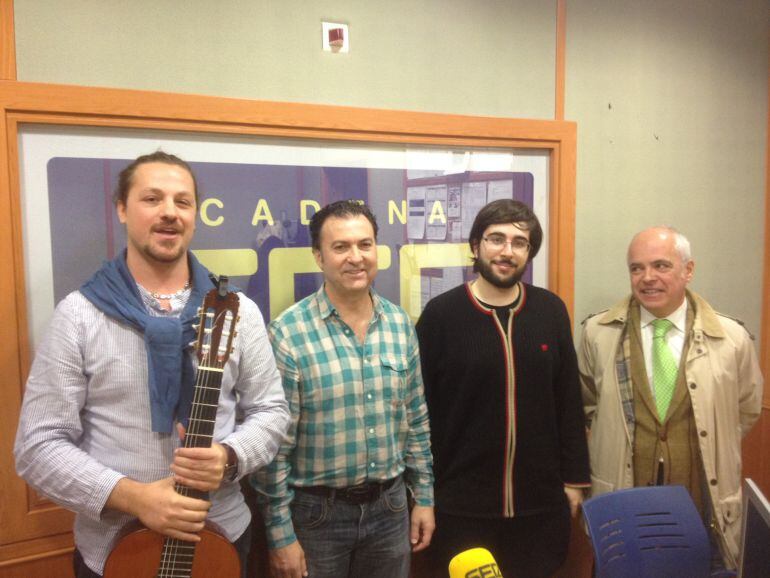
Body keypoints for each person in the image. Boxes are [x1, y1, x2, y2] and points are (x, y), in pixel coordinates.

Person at [14, 151, 290, 578]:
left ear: (195, 215)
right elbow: (37, 446)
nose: (169, 213)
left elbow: (272, 412)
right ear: (122, 209)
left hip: (221, 539)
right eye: (152, 199)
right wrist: (132, 497)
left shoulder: (238, 312)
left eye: (183, 202)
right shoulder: (80, 315)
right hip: (115, 549)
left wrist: (230, 456)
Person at [252, 200, 435, 578]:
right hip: (317, 518)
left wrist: (425, 498)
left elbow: (415, 419)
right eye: (341, 247)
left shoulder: (399, 324)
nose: (356, 257)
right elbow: (275, 447)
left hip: (391, 509)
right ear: (319, 256)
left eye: (365, 245)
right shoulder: (288, 333)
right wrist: (280, 534)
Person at [416, 199, 590, 577]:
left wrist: (575, 481)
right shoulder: (441, 316)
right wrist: (424, 494)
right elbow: (419, 412)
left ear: (529, 253)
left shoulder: (550, 311)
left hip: (540, 506)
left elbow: (568, 401)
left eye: (519, 242)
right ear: (476, 246)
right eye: (496, 239)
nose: (507, 251)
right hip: (462, 507)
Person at [579, 226, 763, 569]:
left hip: (703, 510)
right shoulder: (597, 334)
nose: (647, 278)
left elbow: (746, 410)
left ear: (688, 270)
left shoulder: (731, 339)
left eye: (661, 266)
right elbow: (587, 404)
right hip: (622, 505)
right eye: (637, 268)